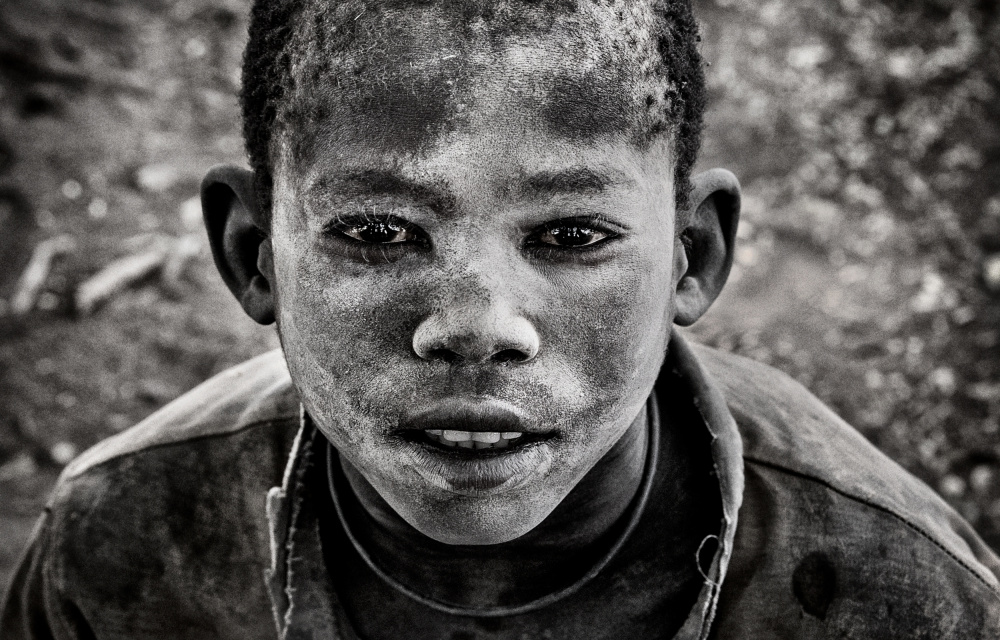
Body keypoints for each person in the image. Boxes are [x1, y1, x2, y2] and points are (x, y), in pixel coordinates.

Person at [3, 0, 999, 638]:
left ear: (691, 255)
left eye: (568, 235)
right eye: (382, 231)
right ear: (255, 253)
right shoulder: (120, 552)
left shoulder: (895, 592)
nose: (478, 327)